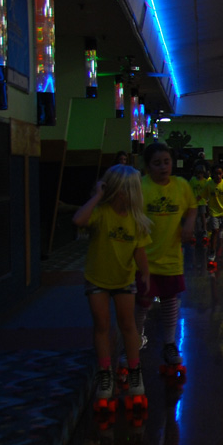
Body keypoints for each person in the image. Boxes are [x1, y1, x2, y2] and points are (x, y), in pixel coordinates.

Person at [73, 164, 152, 411]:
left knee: (128, 326)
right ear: (118, 191)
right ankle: (105, 373)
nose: (133, 195)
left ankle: (134, 371)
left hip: (124, 280)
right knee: (102, 326)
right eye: (129, 190)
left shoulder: (137, 220)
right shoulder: (101, 212)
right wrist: (97, 195)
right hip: (97, 279)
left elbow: (140, 252)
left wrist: (146, 274)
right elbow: (78, 220)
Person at [135, 142, 196, 379]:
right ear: (148, 166)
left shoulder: (181, 186)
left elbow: (191, 207)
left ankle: (170, 343)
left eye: (167, 162)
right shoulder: (141, 187)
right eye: (157, 163)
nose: (163, 167)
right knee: (143, 302)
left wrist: (189, 224)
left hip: (171, 257)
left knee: (171, 299)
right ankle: (134, 341)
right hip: (144, 258)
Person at [189, 164, 213, 245]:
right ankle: (193, 232)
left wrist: (208, 199)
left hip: (202, 202)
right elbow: (190, 190)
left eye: (201, 173)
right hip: (194, 202)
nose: (200, 175)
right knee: (194, 218)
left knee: (203, 216)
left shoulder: (205, 181)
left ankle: (205, 230)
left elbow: (208, 190)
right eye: (198, 173)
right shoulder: (193, 180)